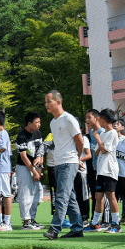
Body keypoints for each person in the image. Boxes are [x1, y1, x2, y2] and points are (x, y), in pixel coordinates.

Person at [43, 91, 86, 240]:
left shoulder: (69, 119)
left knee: (61, 196)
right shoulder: (53, 122)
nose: (46, 105)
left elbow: (79, 141)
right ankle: (77, 228)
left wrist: (77, 158)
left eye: (49, 101)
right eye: (46, 102)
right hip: (58, 162)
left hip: (69, 162)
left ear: (58, 102)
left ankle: (54, 229)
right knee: (70, 197)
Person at [87, 109, 119, 232]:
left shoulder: (112, 133)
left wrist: (98, 138)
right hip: (101, 170)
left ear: (104, 119)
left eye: (100, 118)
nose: (98, 120)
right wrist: (99, 141)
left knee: (111, 195)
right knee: (98, 196)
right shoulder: (104, 133)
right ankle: (95, 224)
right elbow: (97, 151)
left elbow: (105, 150)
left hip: (109, 169)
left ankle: (116, 224)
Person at [13, 112, 43, 231]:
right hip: (24, 167)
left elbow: (41, 150)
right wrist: (34, 171)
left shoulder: (38, 133)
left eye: (39, 122)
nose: (39, 124)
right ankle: (26, 222)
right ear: (29, 123)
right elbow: (24, 157)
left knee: (37, 193)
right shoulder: (21, 136)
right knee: (26, 194)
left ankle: (32, 219)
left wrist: (40, 167)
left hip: (36, 167)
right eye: (37, 122)